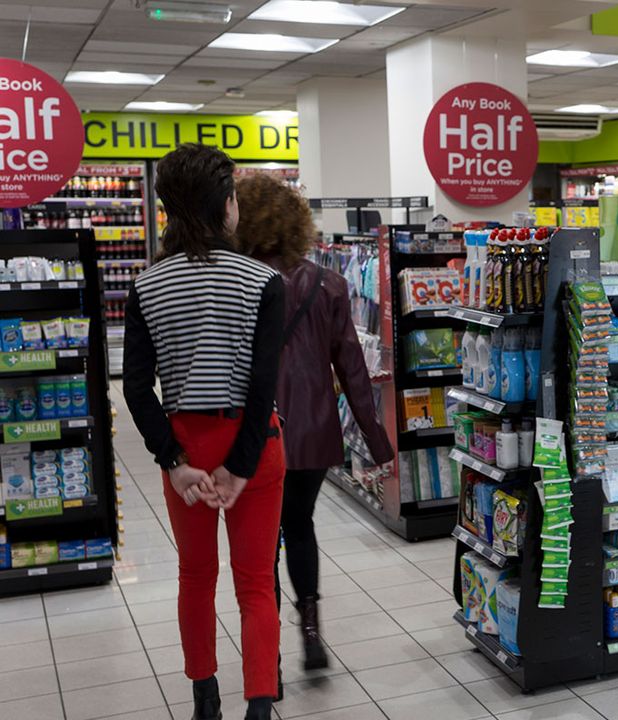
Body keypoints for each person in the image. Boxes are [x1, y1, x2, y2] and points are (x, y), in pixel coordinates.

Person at [123, 144, 285, 720]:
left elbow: (136, 391)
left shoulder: (147, 287)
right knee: (256, 584)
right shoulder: (264, 281)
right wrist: (240, 468)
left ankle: (204, 700)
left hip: (186, 447)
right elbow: (264, 386)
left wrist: (175, 460)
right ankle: (260, 707)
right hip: (254, 447)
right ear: (227, 206)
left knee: (195, 577)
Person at [234, 174, 394, 671]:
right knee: (299, 526)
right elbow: (352, 369)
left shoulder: (235, 282)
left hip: (253, 431)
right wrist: (378, 442)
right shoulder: (330, 284)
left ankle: (269, 658)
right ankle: (311, 631)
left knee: (260, 543)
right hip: (312, 430)